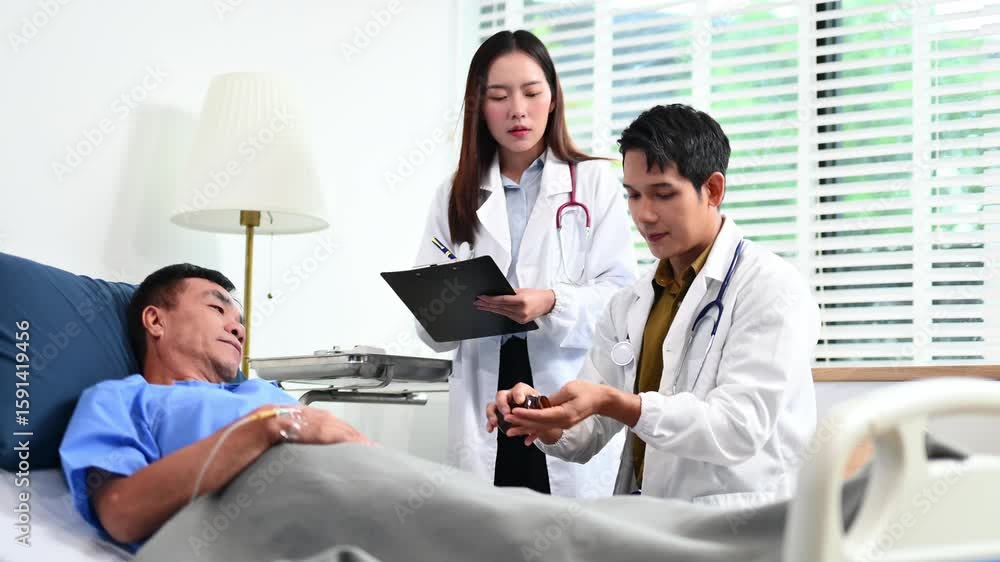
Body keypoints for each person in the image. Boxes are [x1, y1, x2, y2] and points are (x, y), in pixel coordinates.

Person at [488, 104, 820, 507]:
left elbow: (738, 428)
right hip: (652, 516)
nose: (644, 215)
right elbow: (589, 432)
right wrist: (541, 415)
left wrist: (616, 402)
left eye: (663, 194)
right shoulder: (630, 302)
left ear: (713, 190)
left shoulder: (771, 287)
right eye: (633, 194)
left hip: (744, 524)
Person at [414, 30, 637, 497]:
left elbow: (623, 303)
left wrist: (553, 302)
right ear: (480, 106)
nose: (518, 110)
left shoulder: (592, 182)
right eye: (499, 97)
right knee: (490, 525)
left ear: (553, 99)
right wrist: (449, 307)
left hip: (561, 388)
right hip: (484, 394)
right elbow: (429, 324)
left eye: (532, 93)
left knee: (567, 526)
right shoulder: (454, 193)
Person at [59, 264, 370, 551]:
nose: (239, 330)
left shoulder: (262, 390)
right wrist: (265, 428)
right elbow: (120, 513)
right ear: (155, 321)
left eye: (240, 323)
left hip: (367, 489)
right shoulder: (121, 399)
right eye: (217, 309)